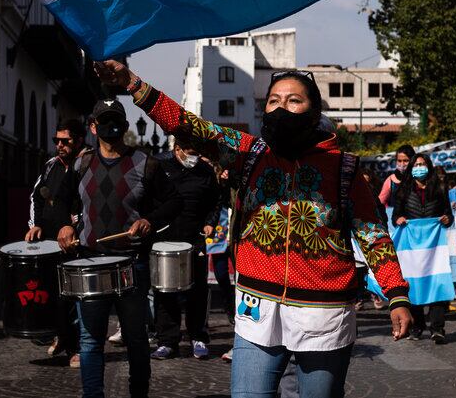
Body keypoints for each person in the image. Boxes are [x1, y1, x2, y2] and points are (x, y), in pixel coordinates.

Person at [94, 60, 412, 398]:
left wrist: (396, 295)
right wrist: (131, 83)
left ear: (314, 109)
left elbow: (373, 235)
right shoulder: (248, 153)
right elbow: (189, 126)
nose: (282, 107)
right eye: (274, 100)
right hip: (256, 311)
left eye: (294, 100)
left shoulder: (343, 168)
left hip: (324, 315)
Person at [57, 99, 183, 398]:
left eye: (116, 121)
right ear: (92, 127)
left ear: (126, 126)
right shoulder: (81, 162)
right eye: (103, 121)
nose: (110, 127)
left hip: (132, 263)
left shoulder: (146, 163)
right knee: (90, 340)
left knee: (137, 339)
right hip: (90, 262)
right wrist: (64, 226)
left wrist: (149, 221)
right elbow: (63, 201)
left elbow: (175, 201)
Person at [24, 118, 88, 367]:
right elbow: (36, 197)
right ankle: (61, 336)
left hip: (76, 245)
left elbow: (87, 202)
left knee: (74, 298)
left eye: (65, 141)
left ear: (79, 140)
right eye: (57, 141)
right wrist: (35, 225)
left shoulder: (86, 165)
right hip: (49, 243)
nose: (60, 145)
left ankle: (77, 348)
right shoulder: (51, 166)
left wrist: (75, 227)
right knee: (53, 296)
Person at [151, 137, 221, 361]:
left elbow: (215, 201)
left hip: (195, 237)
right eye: (190, 152)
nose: (194, 158)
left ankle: (198, 336)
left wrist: (211, 221)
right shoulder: (160, 167)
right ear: (177, 149)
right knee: (165, 291)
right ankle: (167, 341)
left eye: (196, 153)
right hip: (166, 238)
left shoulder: (205, 171)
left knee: (197, 290)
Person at [392, 155, 452, 344]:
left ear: (429, 167)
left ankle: (438, 328)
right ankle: (417, 326)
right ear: (411, 168)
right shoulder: (404, 189)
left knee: (437, 284)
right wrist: (398, 220)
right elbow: (396, 215)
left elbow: (448, 214)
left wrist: (446, 220)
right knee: (414, 286)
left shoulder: (440, 188)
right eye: (416, 165)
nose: (419, 167)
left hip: (434, 248)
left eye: (422, 164)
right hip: (412, 247)